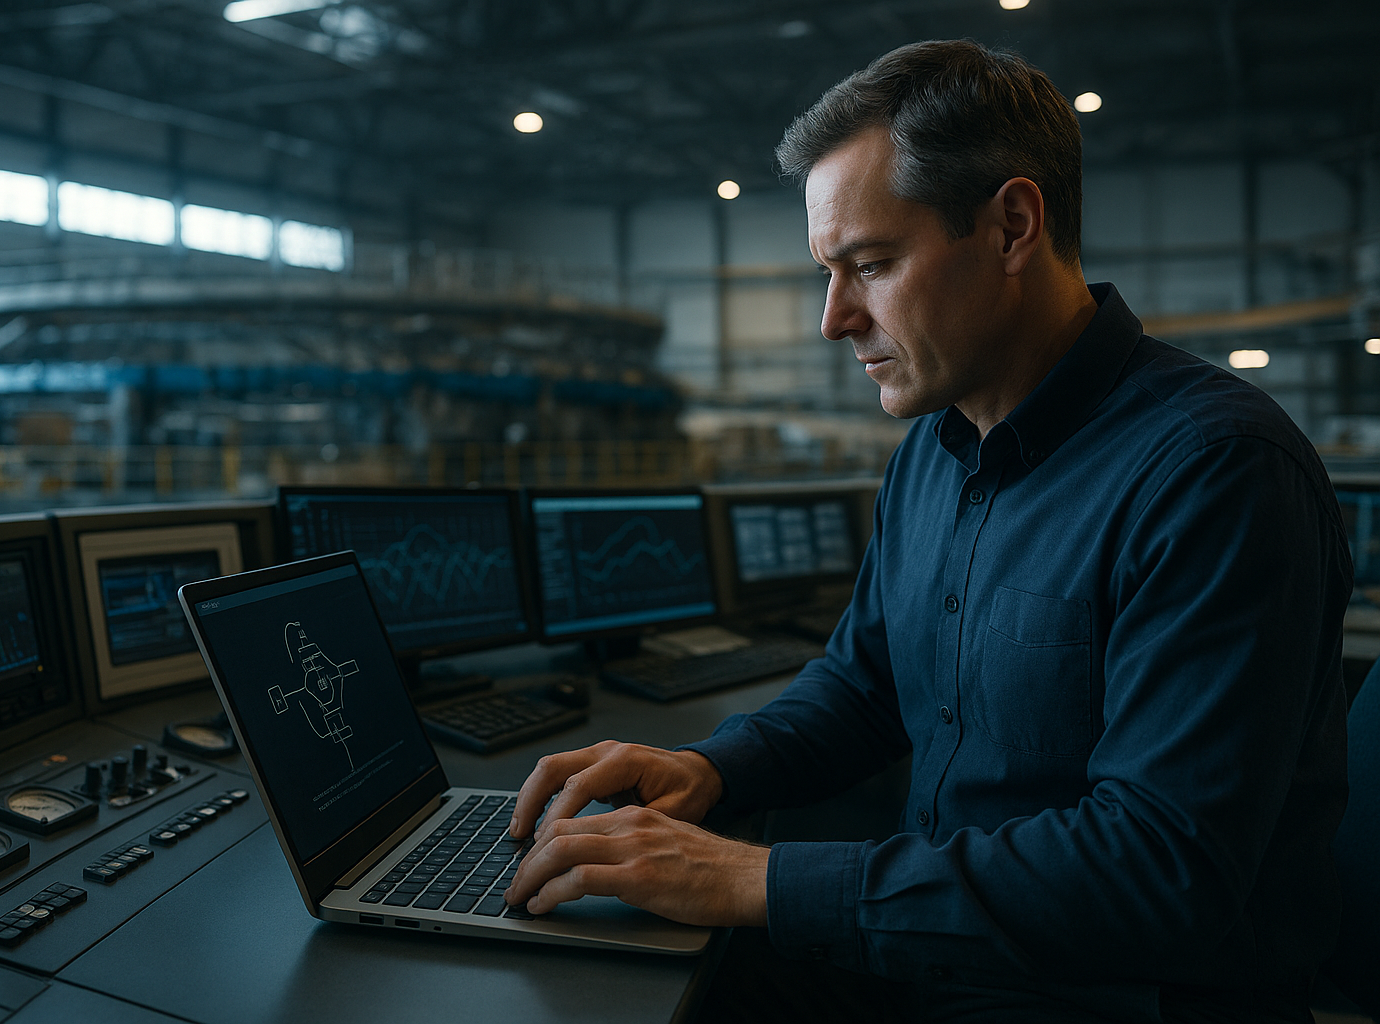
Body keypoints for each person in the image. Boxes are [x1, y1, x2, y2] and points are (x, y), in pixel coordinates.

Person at [503, 39, 1352, 1023]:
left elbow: (1156, 872)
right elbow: (866, 687)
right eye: (831, 271)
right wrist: (710, 766)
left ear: (1011, 226)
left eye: (870, 264)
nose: (833, 320)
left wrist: (752, 879)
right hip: (927, 961)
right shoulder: (932, 454)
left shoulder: (1216, 473)